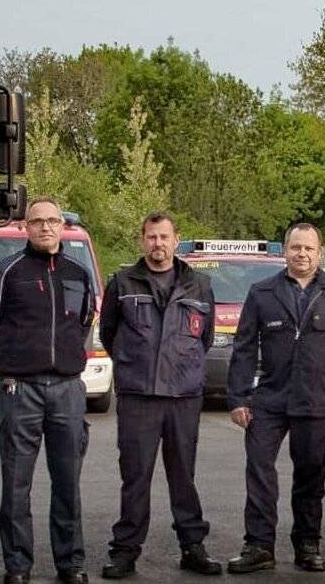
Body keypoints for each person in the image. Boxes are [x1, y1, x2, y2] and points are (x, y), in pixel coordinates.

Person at [226, 223, 325, 575]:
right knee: (259, 471)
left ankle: (307, 543)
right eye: (295, 247)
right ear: (284, 251)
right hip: (269, 400)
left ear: (320, 253)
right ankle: (259, 545)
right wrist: (239, 397)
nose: (301, 254)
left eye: (308, 248)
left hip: (316, 402)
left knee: (310, 477)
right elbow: (243, 348)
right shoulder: (262, 292)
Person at [0, 197, 95, 584]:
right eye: (37, 221)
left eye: (52, 221)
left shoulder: (79, 274)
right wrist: (11, 361)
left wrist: (69, 356)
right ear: (25, 227)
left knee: (67, 482)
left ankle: (70, 563)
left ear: (62, 226)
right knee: (16, 484)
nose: (45, 227)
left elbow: (85, 320)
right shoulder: (6, 271)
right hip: (20, 390)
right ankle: (18, 566)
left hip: (67, 390)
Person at [97, 211, 222, 579]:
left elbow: (206, 337)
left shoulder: (199, 285)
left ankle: (192, 547)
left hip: (183, 396)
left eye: (164, 237)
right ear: (143, 240)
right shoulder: (122, 282)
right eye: (152, 237)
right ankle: (125, 551)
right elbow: (109, 334)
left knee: (184, 475)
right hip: (139, 396)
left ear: (176, 239)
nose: (158, 244)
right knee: (135, 476)